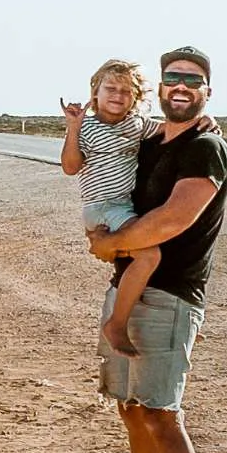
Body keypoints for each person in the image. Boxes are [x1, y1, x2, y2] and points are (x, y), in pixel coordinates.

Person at [86, 48, 227, 453]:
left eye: (193, 81)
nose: (181, 86)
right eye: (173, 77)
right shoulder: (151, 141)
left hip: (169, 297)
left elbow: (174, 219)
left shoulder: (206, 147)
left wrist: (113, 244)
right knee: (132, 408)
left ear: (207, 91)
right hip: (129, 284)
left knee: (162, 415)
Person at [59, 59, 162, 356]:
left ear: (137, 97)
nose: (118, 95)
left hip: (125, 208)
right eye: (111, 88)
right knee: (148, 254)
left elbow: (169, 132)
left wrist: (203, 122)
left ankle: (159, 321)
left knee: (159, 249)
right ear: (95, 92)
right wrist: (74, 127)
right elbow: (70, 167)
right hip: (102, 208)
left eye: (126, 91)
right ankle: (117, 324)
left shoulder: (136, 124)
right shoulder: (87, 127)